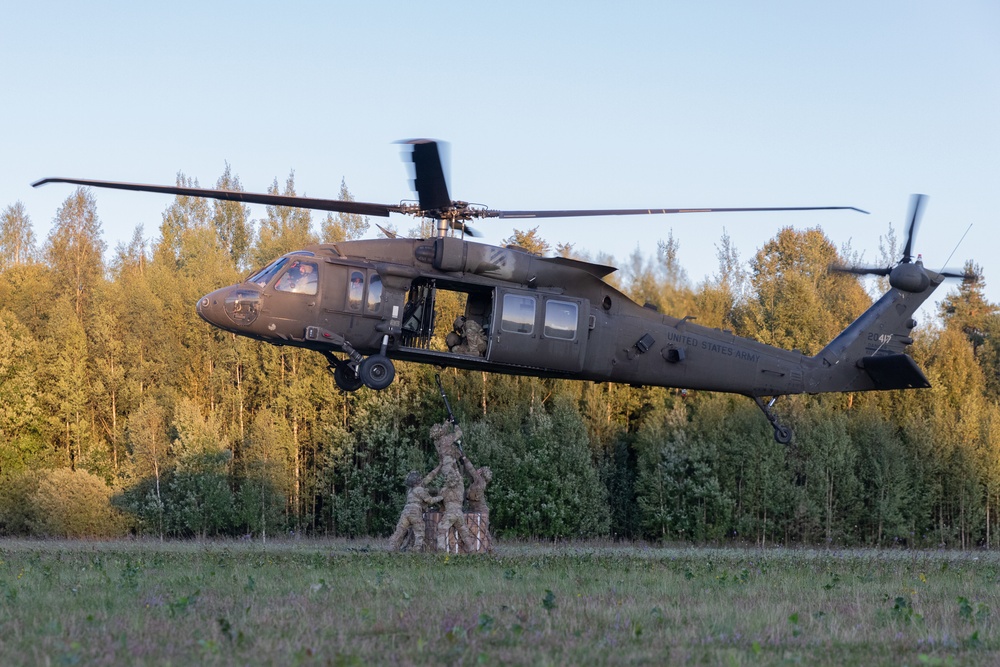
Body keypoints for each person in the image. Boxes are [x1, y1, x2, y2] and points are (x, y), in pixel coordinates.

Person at [388, 466, 443, 551]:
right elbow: (430, 501)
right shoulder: (420, 489)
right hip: (415, 511)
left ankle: (391, 548)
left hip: (406, 511)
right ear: (418, 480)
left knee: (399, 532)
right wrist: (440, 497)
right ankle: (416, 551)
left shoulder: (410, 490)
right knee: (419, 532)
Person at [435, 465, 477, 553]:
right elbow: (461, 479)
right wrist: (456, 469)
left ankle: (441, 548)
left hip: (450, 514)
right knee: (465, 533)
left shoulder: (444, 490)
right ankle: (472, 550)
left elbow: (440, 503)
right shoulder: (460, 488)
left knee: (441, 529)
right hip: (459, 514)